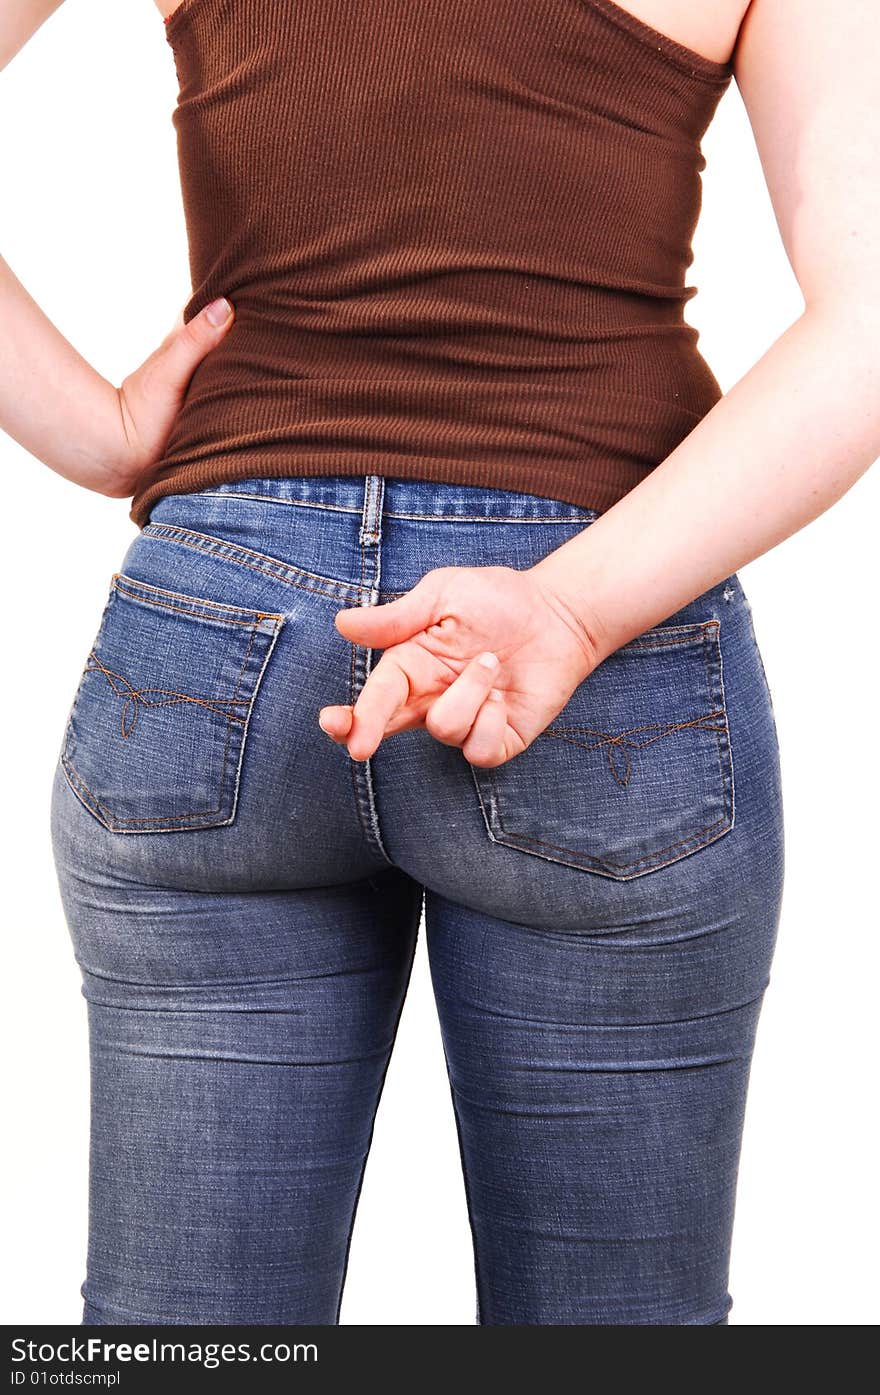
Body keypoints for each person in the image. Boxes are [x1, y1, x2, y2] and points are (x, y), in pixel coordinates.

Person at [1, 0, 876, 1326]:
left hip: (215, 630)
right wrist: (574, 613)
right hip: (600, 641)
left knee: (187, 1347)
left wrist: (101, 433)